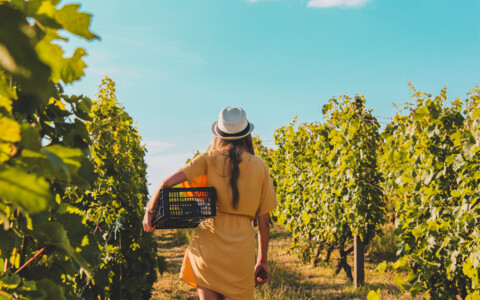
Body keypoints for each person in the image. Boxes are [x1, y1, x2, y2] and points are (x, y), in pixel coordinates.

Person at [143, 107, 277, 300]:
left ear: (219, 133)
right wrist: (262, 261)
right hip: (239, 255)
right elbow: (263, 224)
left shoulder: (208, 158)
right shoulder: (260, 166)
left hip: (208, 249)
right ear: (246, 133)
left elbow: (166, 183)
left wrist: (150, 211)